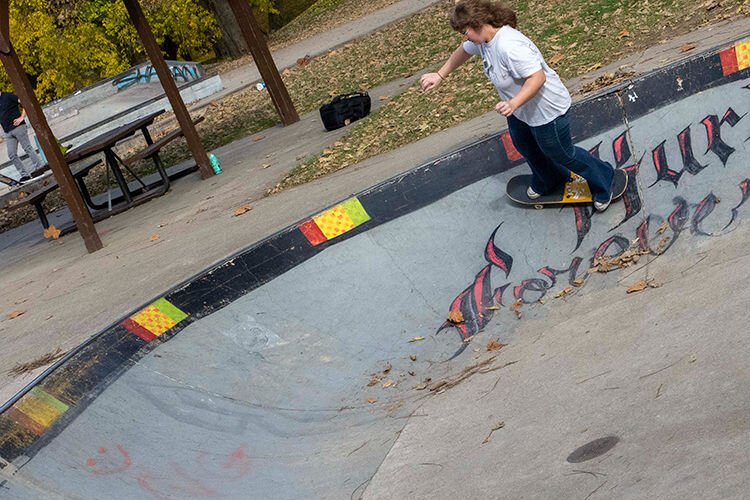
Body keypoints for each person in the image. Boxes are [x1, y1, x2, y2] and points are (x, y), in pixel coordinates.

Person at [420, 0, 615, 211]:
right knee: (526, 146)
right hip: (521, 110)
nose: (465, 37)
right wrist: (440, 74)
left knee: (562, 154)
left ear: (478, 24)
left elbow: (537, 78)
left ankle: (604, 178)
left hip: (546, 111)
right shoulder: (483, 41)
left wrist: (513, 103)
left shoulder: (509, 46)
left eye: (465, 32)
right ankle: (549, 179)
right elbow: (463, 51)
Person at [0, 90, 44, 183]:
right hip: (8, 133)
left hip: (18, 128)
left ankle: (39, 168)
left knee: (27, 148)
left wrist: (22, 117)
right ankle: (24, 175)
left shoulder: (8, 96)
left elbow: (25, 103)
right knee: (11, 154)